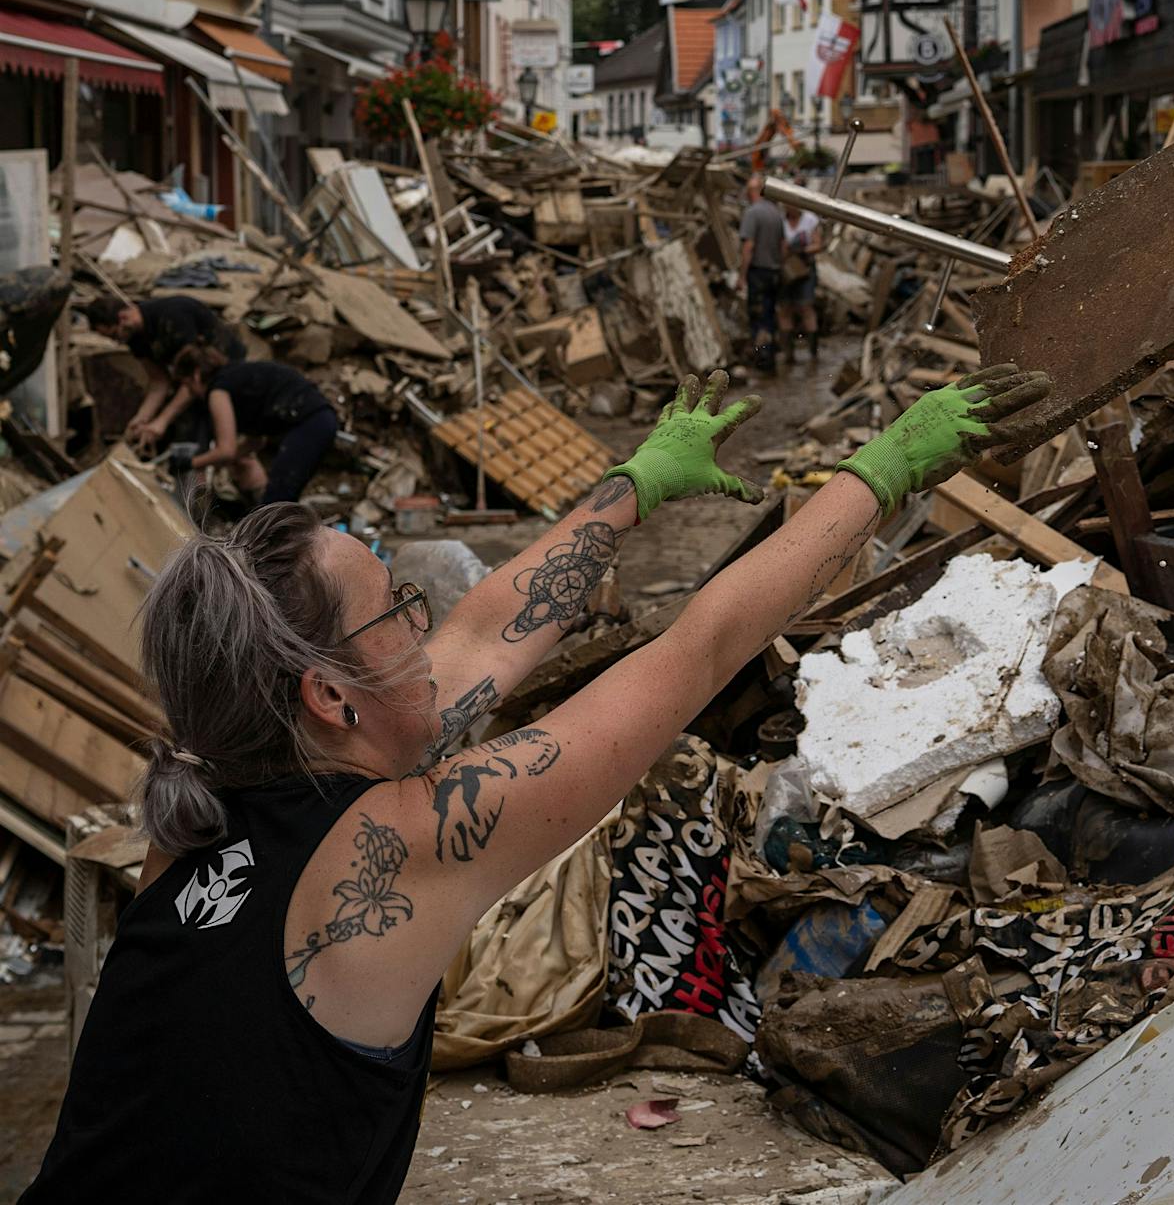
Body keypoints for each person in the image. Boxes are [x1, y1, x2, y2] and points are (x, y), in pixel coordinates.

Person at [23, 364, 1051, 1202]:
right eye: (397, 613)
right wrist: (878, 473)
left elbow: (480, 636)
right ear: (329, 696)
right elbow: (698, 649)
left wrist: (635, 485)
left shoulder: (195, 815)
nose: (425, 625)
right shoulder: (400, 843)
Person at [170, 346, 339, 507]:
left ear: (196, 376)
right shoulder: (236, 378)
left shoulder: (218, 390)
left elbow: (226, 450)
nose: (191, 393)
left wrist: (189, 463)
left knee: (277, 498)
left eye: (188, 386)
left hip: (310, 421)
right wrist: (219, 462)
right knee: (280, 495)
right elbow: (255, 442)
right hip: (322, 419)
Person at [82, 293, 247, 451]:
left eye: (115, 335)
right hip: (195, 382)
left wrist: (162, 421)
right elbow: (159, 382)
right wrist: (141, 418)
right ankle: (191, 470)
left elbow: (197, 377)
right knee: (185, 436)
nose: (118, 341)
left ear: (123, 318)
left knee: (211, 436)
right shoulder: (134, 336)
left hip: (224, 373)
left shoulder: (174, 315)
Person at [737, 172, 787, 374]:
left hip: (758, 272)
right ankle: (771, 356)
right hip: (774, 272)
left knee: (758, 316)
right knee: (769, 314)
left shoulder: (752, 213)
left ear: (753, 191)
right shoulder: (776, 213)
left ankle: (763, 359)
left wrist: (742, 275)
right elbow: (783, 246)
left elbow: (748, 246)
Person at [778, 199, 823, 364]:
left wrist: (802, 250)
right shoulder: (780, 221)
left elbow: (818, 244)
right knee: (785, 308)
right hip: (786, 270)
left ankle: (813, 352)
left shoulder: (810, 220)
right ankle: (789, 354)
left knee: (806, 307)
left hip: (805, 269)